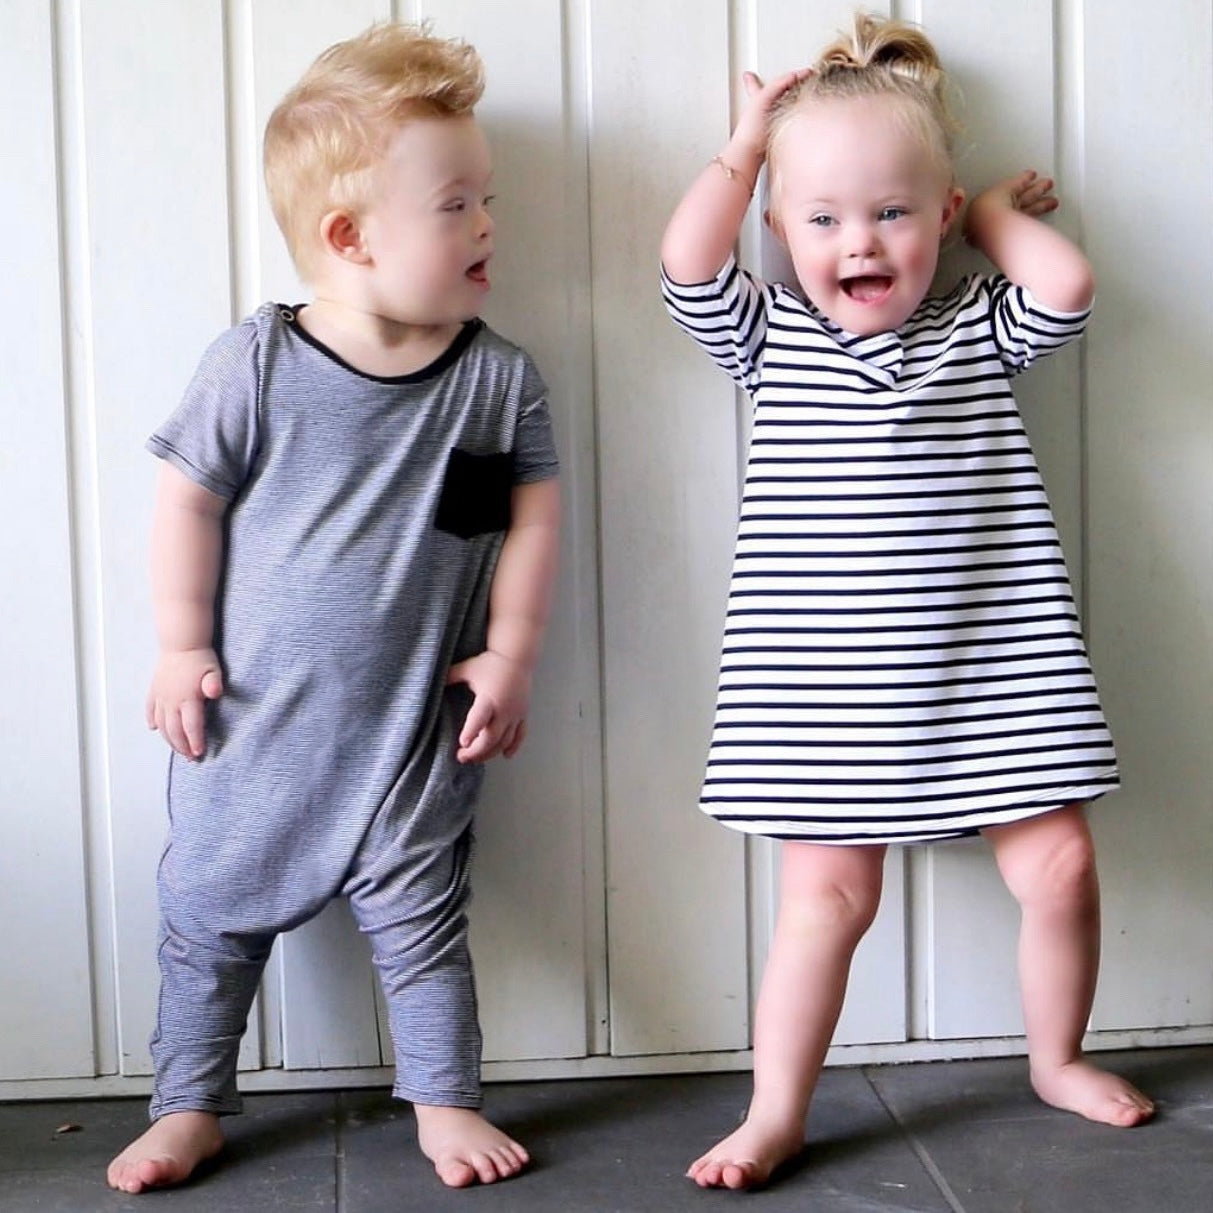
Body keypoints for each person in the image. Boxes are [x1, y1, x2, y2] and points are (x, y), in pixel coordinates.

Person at [660, 12, 1153, 1191]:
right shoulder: (773, 335)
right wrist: (742, 149)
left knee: (1064, 870)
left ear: (937, 222)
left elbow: (1067, 280)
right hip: (823, 688)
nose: (857, 240)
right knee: (825, 900)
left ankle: (1054, 1054)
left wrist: (990, 213)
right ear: (780, 230)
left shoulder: (976, 327)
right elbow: (684, 261)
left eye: (891, 212)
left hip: (992, 665)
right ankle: (776, 1108)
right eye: (821, 217)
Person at [107, 21, 560, 1195]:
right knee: (206, 917)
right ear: (348, 237)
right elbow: (187, 501)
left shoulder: (494, 380)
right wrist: (178, 642)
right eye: (456, 205)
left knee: (422, 922)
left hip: (413, 724)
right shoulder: (255, 365)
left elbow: (527, 524)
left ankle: (444, 1099)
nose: (487, 225)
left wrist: (509, 654)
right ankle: (190, 1101)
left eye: (486, 199)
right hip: (251, 721)